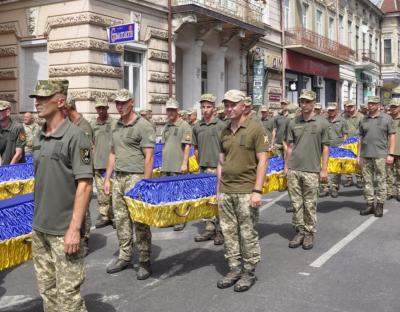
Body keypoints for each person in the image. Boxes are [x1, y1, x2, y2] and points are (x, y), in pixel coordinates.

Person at [30, 80, 93, 312]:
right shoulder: (39, 136)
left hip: (64, 230)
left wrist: (74, 229)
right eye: (36, 98)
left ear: (60, 101)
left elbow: (85, 185)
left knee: (69, 300)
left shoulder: (76, 136)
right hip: (40, 228)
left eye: (43, 98)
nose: (37, 102)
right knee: (48, 293)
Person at [216, 89, 268, 292]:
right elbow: (221, 162)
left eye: (233, 105)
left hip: (246, 190)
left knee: (247, 233)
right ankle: (234, 268)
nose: (229, 108)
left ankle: (249, 272)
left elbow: (263, 161)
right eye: (227, 105)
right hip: (226, 190)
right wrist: (218, 189)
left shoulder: (256, 129)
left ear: (244, 106)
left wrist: (257, 190)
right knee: (229, 232)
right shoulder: (224, 130)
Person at [104, 89, 155, 279]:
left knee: (140, 221)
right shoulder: (115, 125)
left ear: (132, 102)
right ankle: (125, 256)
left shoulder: (144, 126)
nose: (120, 106)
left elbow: (149, 157)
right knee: (120, 220)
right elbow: (112, 153)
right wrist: (108, 178)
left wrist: (146, 184)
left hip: (136, 178)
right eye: (117, 103)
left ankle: (144, 260)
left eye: (123, 103)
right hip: (119, 178)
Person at [285, 89, 330, 250]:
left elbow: (325, 148)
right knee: (296, 203)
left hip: (312, 169)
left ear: (313, 103)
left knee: (309, 203)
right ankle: (299, 230)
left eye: (307, 102)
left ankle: (309, 232)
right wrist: (286, 166)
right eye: (302, 101)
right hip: (294, 169)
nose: (303, 104)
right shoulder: (293, 122)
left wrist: (324, 169)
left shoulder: (322, 123)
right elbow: (289, 147)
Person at [192, 93, 225, 245]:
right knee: (206, 201)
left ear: (214, 108)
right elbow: (196, 148)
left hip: (218, 168)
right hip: (203, 168)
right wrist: (200, 165)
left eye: (208, 107)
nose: (205, 110)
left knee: (218, 201)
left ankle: (221, 230)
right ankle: (209, 228)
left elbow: (226, 149)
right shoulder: (197, 126)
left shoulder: (222, 126)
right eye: (203, 107)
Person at [64, 98, 94, 256]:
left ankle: (84, 239)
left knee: (84, 209)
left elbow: (86, 155)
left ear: (69, 109)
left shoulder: (83, 126)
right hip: (71, 175)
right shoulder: (70, 125)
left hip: (81, 174)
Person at [358, 96, 396, 217]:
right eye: (369, 103)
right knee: (367, 181)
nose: (370, 106)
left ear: (378, 105)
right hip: (366, 155)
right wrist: (359, 155)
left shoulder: (387, 118)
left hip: (381, 155)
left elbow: (392, 136)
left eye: (373, 103)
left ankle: (380, 205)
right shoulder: (364, 119)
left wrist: (390, 154)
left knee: (381, 181)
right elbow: (360, 138)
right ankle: (369, 204)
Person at [161, 98, 192, 231]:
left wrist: (184, 163)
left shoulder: (184, 125)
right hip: (167, 165)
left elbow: (187, 146)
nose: (170, 112)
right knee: (169, 194)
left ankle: (180, 219)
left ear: (178, 111)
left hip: (178, 166)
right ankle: (171, 218)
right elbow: (165, 144)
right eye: (169, 110)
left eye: (173, 110)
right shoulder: (166, 126)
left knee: (179, 193)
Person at [91, 97, 117, 229]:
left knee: (111, 192)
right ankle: (105, 216)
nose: (100, 111)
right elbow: (91, 143)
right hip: (97, 163)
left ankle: (114, 217)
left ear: (107, 108)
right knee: (101, 193)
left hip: (110, 164)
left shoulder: (114, 123)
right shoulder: (93, 124)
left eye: (103, 108)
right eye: (98, 108)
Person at [320, 102, 348, 198]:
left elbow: (345, 134)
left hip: (338, 147)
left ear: (336, 110)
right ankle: (325, 188)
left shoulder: (342, 121)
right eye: (329, 110)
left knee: (336, 169)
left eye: (332, 110)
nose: (330, 112)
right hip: (325, 148)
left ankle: (335, 188)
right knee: (324, 167)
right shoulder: (324, 121)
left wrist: (344, 147)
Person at [342, 100, 364, 188]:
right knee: (347, 161)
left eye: (351, 106)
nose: (350, 108)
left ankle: (359, 179)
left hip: (358, 141)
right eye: (348, 107)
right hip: (347, 141)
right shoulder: (343, 117)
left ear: (355, 106)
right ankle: (349, 179)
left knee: (358, 161)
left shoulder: (361, 117)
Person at [0, 100, 26, 165]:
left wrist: (9, 169)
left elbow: (19, 154)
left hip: (15, 169)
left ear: (8, 112)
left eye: (0, 111)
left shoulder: (19, 128)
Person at [387, 99, 400, 201]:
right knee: (388, 172)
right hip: (387, 151)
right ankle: (389, 191)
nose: (393, 109)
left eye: (395, 107)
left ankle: (399, 192)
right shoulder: (386, 119)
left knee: (399, 173)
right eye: (392, 106)